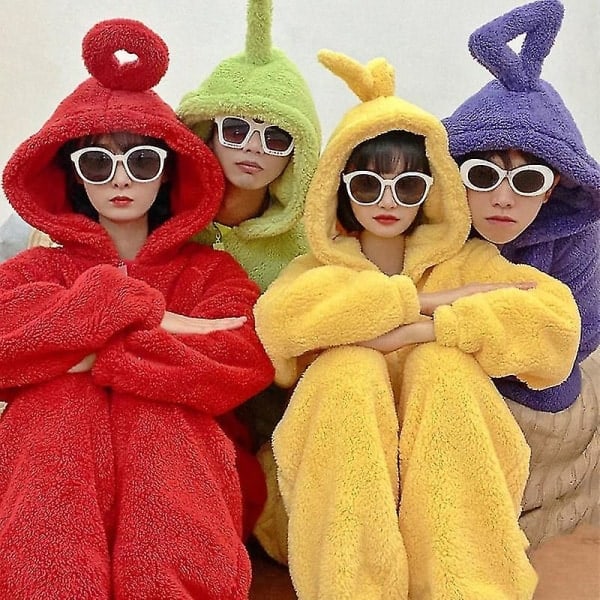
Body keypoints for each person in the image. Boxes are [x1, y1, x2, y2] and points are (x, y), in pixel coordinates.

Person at [254, 50, 581, 599]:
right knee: (347, 370)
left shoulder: (465, 260)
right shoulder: (317, 271)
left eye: (406, 186)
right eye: (368, 185)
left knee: (441, 366)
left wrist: (431, 330)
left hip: (448, 493)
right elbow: (279, 327)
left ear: (431, 189)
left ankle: (465, 583)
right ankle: (353, 586)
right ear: (339, 187)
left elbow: (554, 325)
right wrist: (425, 301)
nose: (387, 201)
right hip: (332, 506)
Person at [0, 18, 273, 599]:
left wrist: (87, 352)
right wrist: (141, 310)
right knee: (57, 405)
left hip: (183, 477)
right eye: (98, 164)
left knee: (151, 412)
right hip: (54, 476)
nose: (120, 179)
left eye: (141, 162)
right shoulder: (33, 269)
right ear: (75, 176)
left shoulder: (211, 272)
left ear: (168, 170)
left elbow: (240, 360)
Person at [443, 0, 600, 547]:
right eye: (483, 175)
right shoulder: (432, 229)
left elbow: (581, 334)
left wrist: (488, 336)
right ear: (455, 174)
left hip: (535, 393)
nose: (504, 198)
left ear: (554, 186)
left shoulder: (578, 240)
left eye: (528, 180)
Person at [177, 0, 321, 293]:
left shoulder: (308, 248)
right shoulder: (163, 222)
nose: (254, 146)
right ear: (208, 133)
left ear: (296, 155)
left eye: (276, 138)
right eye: (236, 130)